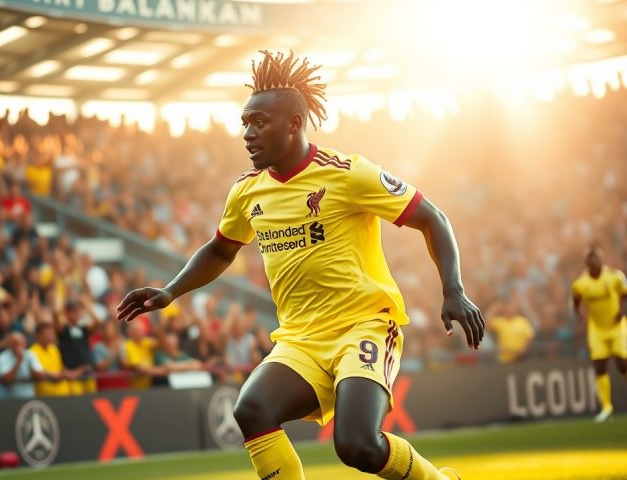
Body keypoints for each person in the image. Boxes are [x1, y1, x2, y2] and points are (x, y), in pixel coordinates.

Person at [118, 51, 484, 480]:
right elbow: (220, 250)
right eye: (245, 124)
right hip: (300, 339)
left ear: (294, 123)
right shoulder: (247, 191)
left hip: (362, 327)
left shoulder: (347, 174)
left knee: (358, 446)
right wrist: (170, 291)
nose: (248, 134)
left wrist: (453, 290)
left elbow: (432, 218)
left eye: (259, 123)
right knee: (252, 409)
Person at [572, 246, 627, 423]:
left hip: (616, 327)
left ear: (602, 260)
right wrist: (581, 318)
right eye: (591, 260)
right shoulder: (581, 284)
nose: (595, 263)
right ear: (586, 263)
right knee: (599, 367)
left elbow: (624, 295)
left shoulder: (615, 276)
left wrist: (622, 311)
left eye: (597, 259)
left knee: (622, 364)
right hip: (596, 329)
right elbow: (576, 300)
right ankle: (606, 408)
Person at [486, 296, 535, 363]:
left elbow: (529, 337)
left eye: (512, 307)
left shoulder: (523, 321)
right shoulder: (500, 321)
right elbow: (486, 322)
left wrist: (523, 349)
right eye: (507, 307)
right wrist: (495, 307)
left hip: (520, 359)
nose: (510, 309)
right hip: (504, 359)